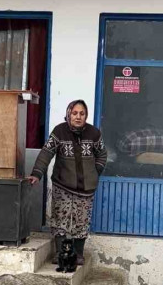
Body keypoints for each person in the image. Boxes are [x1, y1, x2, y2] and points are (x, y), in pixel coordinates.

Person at [29, 100, 107, 271]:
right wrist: (37, 173)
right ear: (69, 114)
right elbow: (46, 153)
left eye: (82, 114)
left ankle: (78, 254)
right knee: (61, 219)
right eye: (75, 113)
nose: (78, 117)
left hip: (86, 189)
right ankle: (59, 253)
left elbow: (102, 154)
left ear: (86, 116)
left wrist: (95, 172)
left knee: (82, 220)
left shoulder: (94, 133)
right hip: (63, 185)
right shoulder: (59, 131)